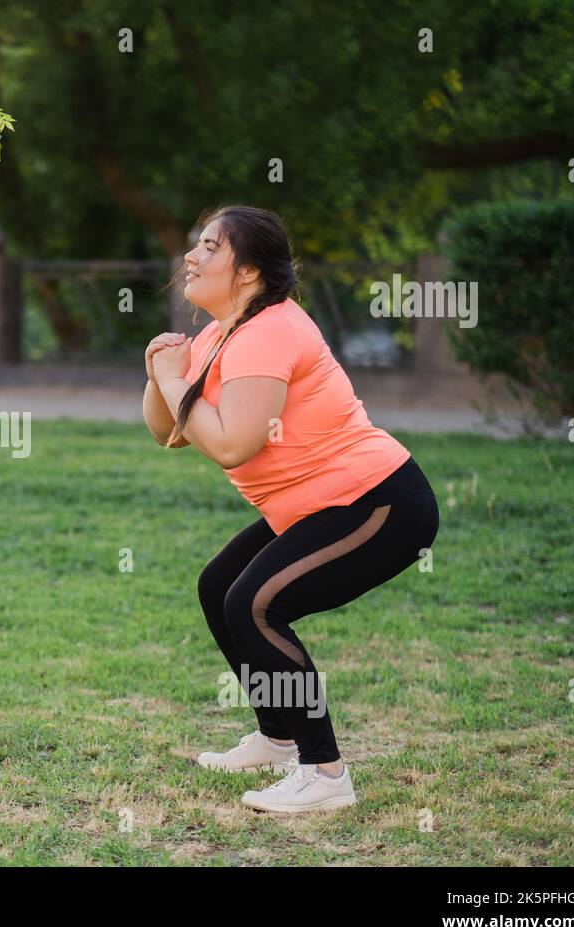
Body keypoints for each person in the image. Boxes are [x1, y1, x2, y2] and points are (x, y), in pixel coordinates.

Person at [142, 205, 439, 813]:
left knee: (256, 603)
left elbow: (230, 442)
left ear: (248, 271)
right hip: (312, 507)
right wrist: (159, 373)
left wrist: (176, 383)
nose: (190, 258)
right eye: (193, 246)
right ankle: (277, 739)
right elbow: (169, 432)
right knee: (219, 585)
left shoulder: (272, 329)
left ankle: (325, 774)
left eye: (207, 247)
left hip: (378, 500)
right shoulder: (218, 333)